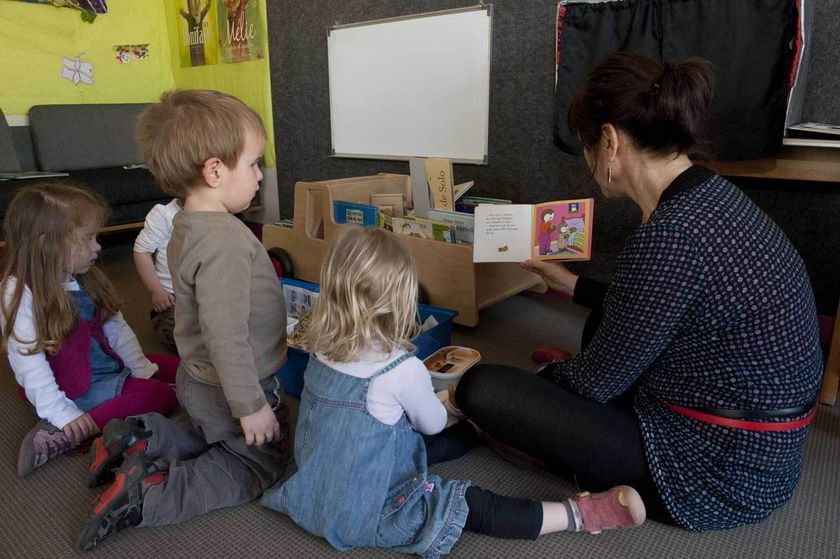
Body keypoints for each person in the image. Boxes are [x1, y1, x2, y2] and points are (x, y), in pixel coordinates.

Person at [455, 51, 824, 532]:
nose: (587, 163)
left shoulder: (667, 236)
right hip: (769, 451)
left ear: (609, 142)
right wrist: (570, 283)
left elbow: (593, 384)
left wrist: (551, 381)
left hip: (715, 473)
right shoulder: (710, 194)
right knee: (600, 326)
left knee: (482, 388)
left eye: (587, 148)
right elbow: (658, 303)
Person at [261, 226, 646, 557]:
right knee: (464, 501)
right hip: (367, 508)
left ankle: (477, 433)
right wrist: (452, 404)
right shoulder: (401, 369)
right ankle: (578, 515)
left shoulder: (320, 350)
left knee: (407, 447)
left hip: (315, 487)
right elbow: (431, 424)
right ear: (400, 299)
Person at [77, 89, 291, 551]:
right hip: (230, 382)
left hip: (198, 380)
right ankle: (150, 494)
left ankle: (142, 439)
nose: (259, 175)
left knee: (205, 429)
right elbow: (226, 335)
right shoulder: (227, 242)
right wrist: (250, 404)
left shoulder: (183, 224)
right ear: (215, 171)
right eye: (254, 163)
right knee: (258, 462)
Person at [0, 183, 178, 477]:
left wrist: (140, 367)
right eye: (87, 239)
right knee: (162, 397)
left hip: (104, 364)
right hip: (73, 388)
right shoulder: (17, 294)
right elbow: (28, 364)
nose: (97, 246)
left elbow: (117, 330)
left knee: (183, 369)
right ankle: (69, 432)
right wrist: (61, 413)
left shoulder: (83, 276)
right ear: (48, 244)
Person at [133, 198, 181, 354]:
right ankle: (161, 322)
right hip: (173, 297)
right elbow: (142, 251)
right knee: (183, 338)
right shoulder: (165, 214)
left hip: (207, 294)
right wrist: (156, 289)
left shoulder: (219, 213)